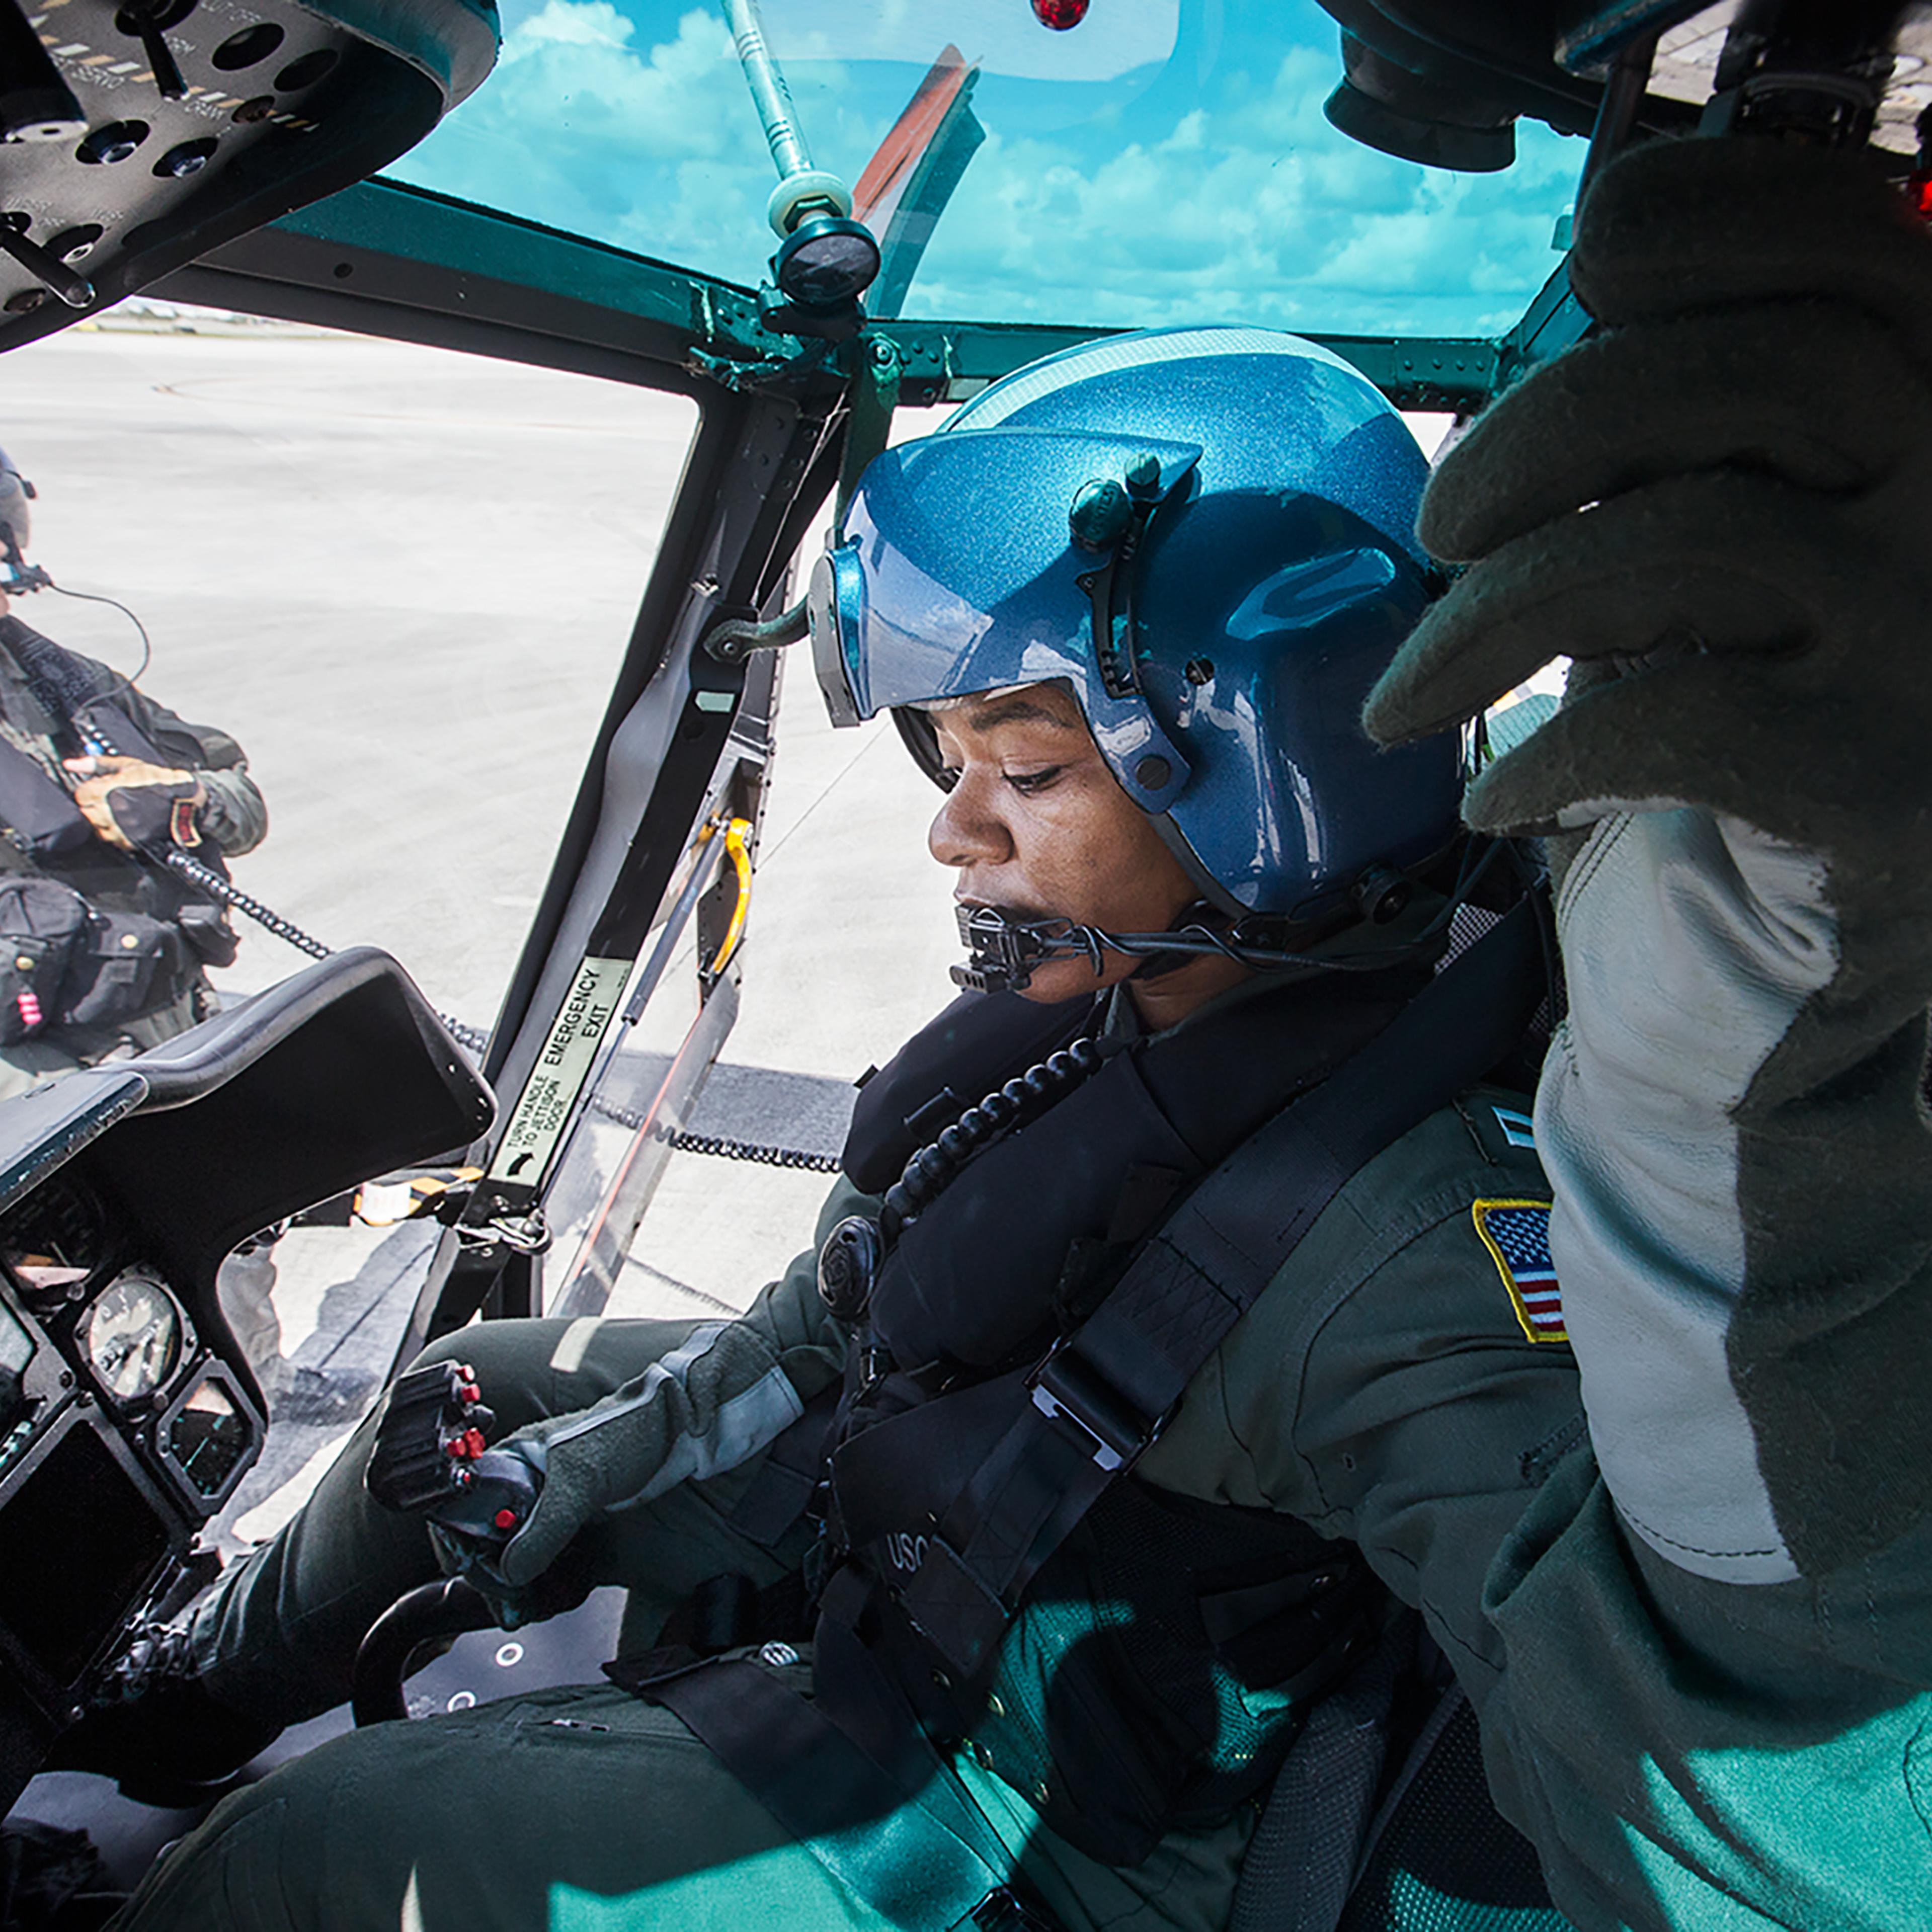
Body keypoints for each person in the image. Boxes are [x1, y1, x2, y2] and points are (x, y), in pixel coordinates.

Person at [105, 133, 1932, 1931]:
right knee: (487, 1397)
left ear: (1274, 778)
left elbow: (1731, 1836)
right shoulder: (1139, 994)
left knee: (324, 1848)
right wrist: (609, 1457)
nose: (951, 830)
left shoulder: (1416, 1257)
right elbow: (863, 1293)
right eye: (951, 758)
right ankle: (162, 1718)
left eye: (1028, 766)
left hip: (1034, 1816)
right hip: (921, 1527)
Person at [0, 448, 281, 1377]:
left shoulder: (70, 686)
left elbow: (240, 795)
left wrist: (180, 799)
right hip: (38, 1099)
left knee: (222, 1319)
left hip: (169, 1058)